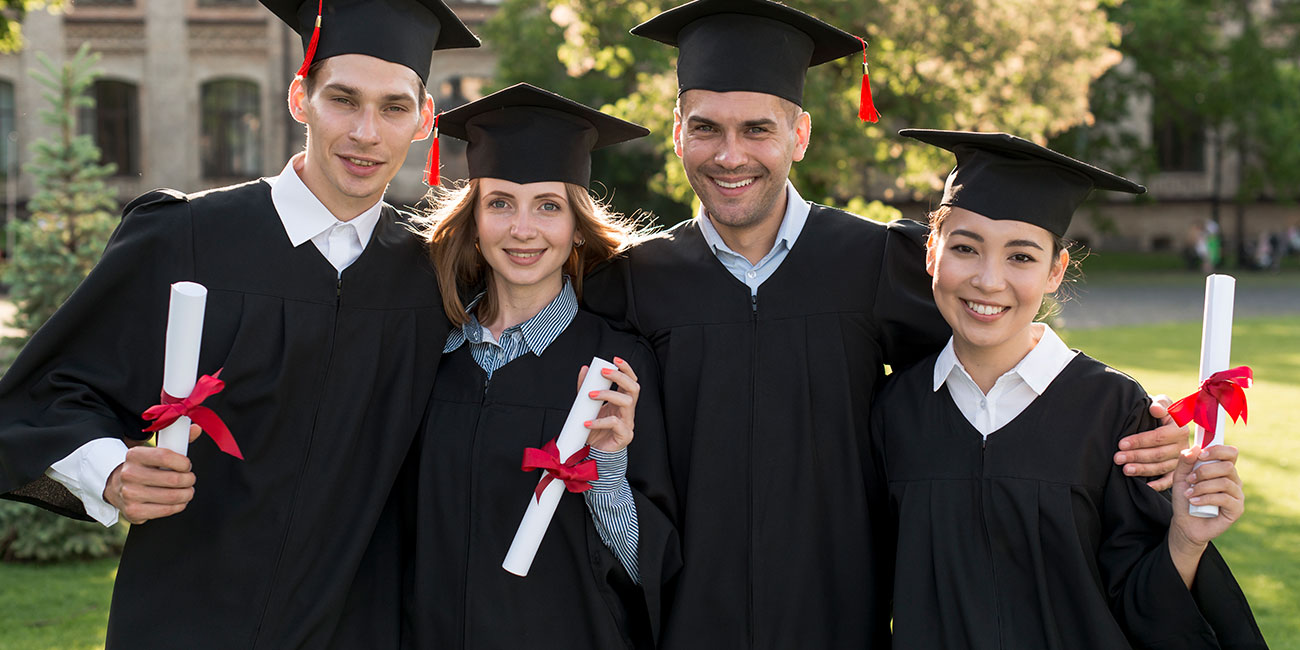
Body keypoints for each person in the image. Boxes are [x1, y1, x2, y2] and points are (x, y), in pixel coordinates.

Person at [582, 1, 1191, 647]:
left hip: (846, 623)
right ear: (677, 131)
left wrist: (1117, 417)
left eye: (758, 128)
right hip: (684, 625)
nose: (730, 155)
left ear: (801, 135)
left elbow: (994, 333)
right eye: (706, 128)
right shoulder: (633, 284)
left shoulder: (875, 261)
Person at [0, 1, 479, 647]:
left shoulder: (435, 274)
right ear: (298, 98)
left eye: (393, 107)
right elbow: (48, 394)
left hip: (360, 623)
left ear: (424, 121)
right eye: (343, 99)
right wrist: (112, 469)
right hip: (189, 615)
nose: (367, 132)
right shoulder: (187, 237)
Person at [870, 129, 1266, 649]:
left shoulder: (1116, 413)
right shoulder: (895, 411)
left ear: (1056, 270)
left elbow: (1143, 607)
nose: (989, 280)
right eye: (965, 248)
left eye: (1021, 257)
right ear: (931, 254)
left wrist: (1186, 540)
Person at [405, 83, 680, 649]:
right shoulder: (431, 358)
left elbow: (643, 569)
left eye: (548, 207)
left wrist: (606, 467)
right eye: (500, 203)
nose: (522, 229)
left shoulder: (616, 372)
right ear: (474, 224)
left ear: (577, 228)